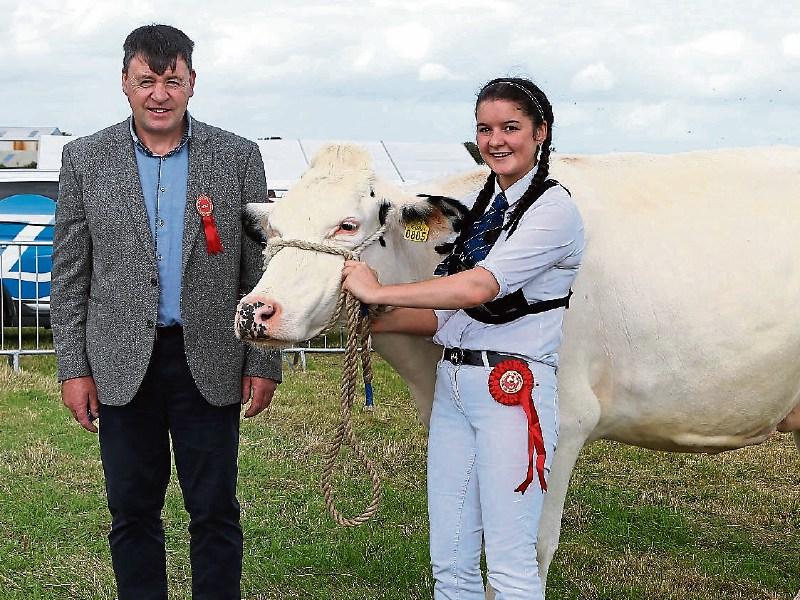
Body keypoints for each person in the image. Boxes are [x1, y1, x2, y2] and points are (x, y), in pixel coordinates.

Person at [51, 24, 281, 600]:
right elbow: (69, 275)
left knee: (215, 512)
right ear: (124, 83)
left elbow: (260, 270)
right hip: (120, 364)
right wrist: (72, 366)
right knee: (131, 513)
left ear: (192, 83)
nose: (159, 94)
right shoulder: (83, 158)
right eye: (146, 81)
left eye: (171, 81)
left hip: (211, 359)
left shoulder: (237, 156)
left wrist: (264, 360)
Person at [342, 77, 585, 599]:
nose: (495, 140)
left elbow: (479, 287)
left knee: (510, 561)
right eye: (484, 129)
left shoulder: (553, 210)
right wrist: (367, 317)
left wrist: (380, 288)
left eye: (510, 128)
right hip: (454, 385)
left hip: (511, 390)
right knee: (450, 560)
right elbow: (446, 320)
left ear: (540, 133)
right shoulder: (483, 210)